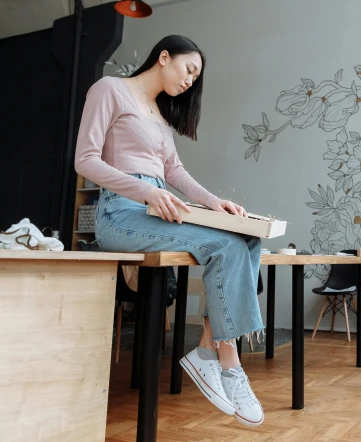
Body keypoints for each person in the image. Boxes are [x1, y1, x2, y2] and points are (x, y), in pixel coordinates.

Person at [75, 35, 264, 427]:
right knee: (223, 245)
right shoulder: (110, 90)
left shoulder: (160, 115)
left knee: (246, 234)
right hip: (120, 214)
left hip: (159, 209)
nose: (191, 81)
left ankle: (209, 350)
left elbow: (174, 171)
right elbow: (85, 159)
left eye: (196, 77)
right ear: (164, 57)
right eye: (189, 70)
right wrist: (145, 189)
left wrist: (214, 203)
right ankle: (229, 364)